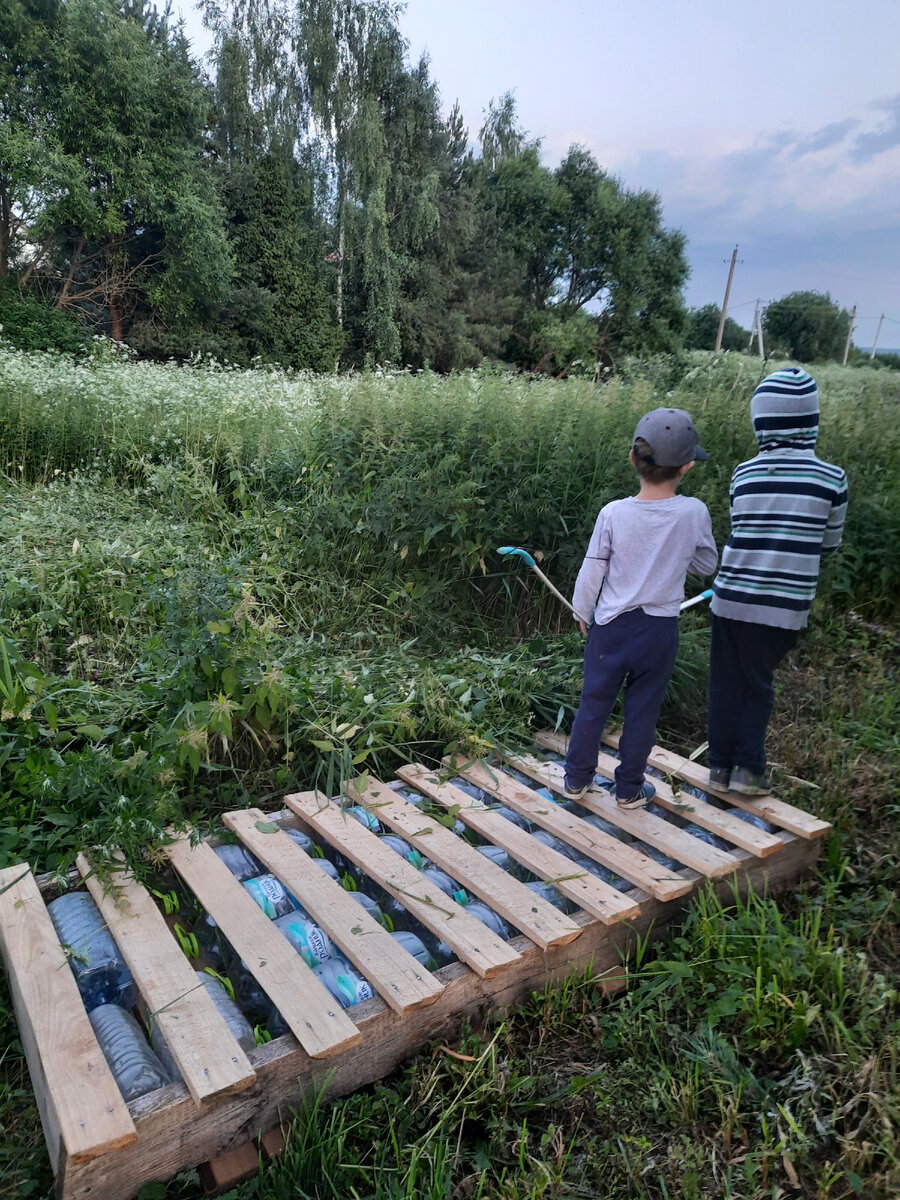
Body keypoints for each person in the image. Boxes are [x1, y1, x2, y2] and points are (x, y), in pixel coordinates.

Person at [563, 409, 718, 809]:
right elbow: (706, 565)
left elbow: (593, 567)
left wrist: (583, 610)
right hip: (658, 632)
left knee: (593, 705)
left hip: (610, 628)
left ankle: (577, 781)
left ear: (633, 459)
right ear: (686, 466)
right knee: (643, 712)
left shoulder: (613, 512)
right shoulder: (694, 512)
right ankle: (629, 790)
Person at [707, 367, 848, 796]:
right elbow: (830, 545)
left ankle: (718, 768)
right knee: (758, 683)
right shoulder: (831, 478)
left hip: (729, 598)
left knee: (726, 684)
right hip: (782, 609)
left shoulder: (744, 473)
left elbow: (742, 528)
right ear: (812, 422)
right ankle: (747, 770)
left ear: (760, 422)